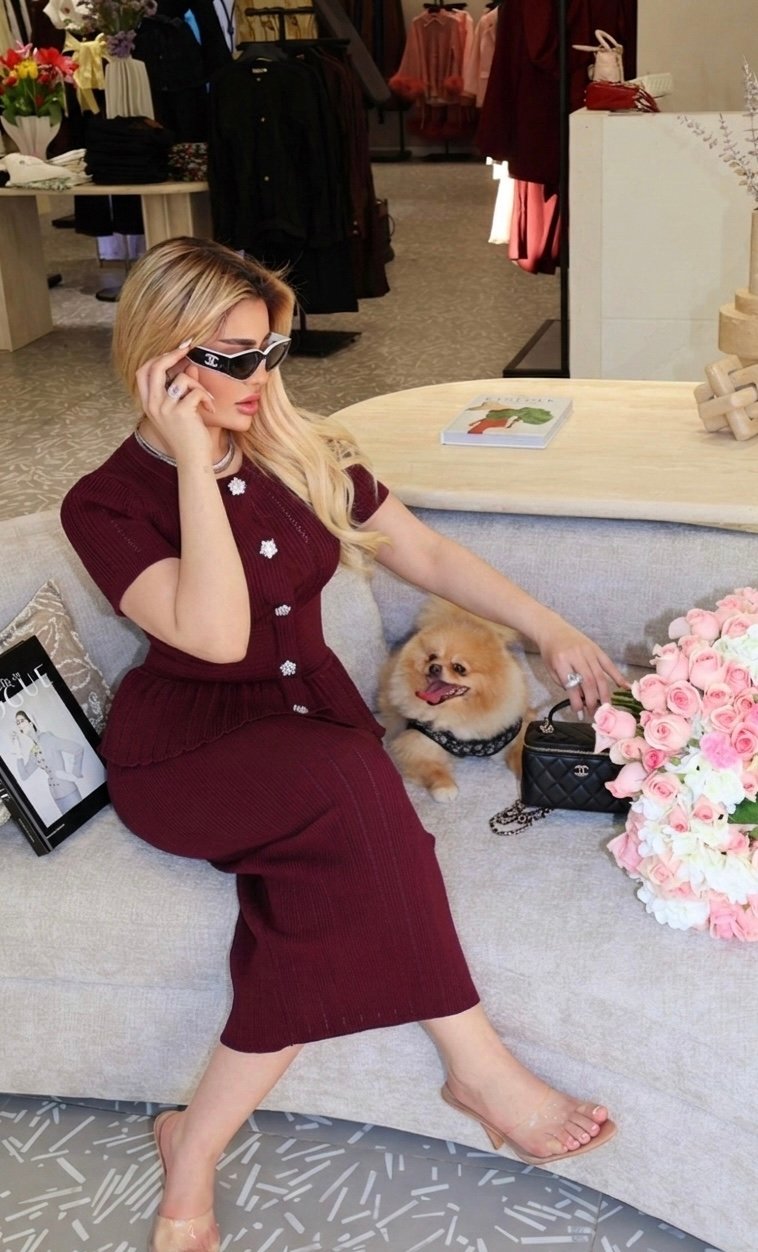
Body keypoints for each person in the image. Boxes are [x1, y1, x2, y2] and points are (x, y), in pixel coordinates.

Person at [61, 237, 625, 1252]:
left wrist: (548, 628)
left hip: (312, 728)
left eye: (270, 349)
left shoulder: (300, 446)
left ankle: (192, 1147)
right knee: (352, 779)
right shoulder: (103, 503)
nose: (261, 375)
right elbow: (216, 636)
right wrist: (194, 462)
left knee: (332, 853)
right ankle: (478, 1066)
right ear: (160, 357)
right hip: (185, 753)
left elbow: (426, 552)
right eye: (233, 355)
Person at [11, 709, 84, 815]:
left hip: (69, 791)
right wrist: (18, 751)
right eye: (17, 723)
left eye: (22, 721)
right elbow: (24, 775)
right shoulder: (33, 751)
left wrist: (74, 775)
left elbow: (78, 749)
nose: (19, 725)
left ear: (30, 722)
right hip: (56, 796)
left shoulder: (47, 738)